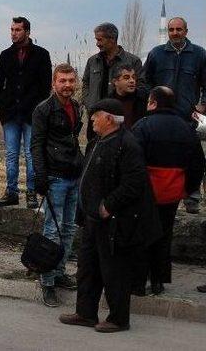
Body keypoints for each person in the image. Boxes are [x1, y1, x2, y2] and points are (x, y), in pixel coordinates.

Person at [59, 99, 160, 333]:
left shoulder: (128, 145)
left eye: (96, 115)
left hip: (114, 222)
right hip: (92, 219)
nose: (92, 119)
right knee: (88, 267)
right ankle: (85, 313)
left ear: (109, 118)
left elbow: (134, 184)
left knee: (114, 271)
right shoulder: (97, 141)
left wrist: (108, 206)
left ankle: (118, 319)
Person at [131, 87, 205, 295]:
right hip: (172, 192)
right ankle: (158, 281)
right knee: (164, 235)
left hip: (146, 192)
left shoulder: (142, 126)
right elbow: (198, 164)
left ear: (153, 102)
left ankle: (137, 283)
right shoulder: (186, 129)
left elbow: (133, 161)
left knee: (141, 235)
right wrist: (187, 189)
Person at [30, 63, 83, 307]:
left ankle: (59, 271)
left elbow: (73, 138)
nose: (67, 85)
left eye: (71, 81)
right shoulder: (44, 109)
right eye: (63, 81)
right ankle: (47, 281)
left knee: (69, 228)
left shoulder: (77, 107)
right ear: (54, 83)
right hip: (54, 177)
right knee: (52, 230)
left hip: (74, 175)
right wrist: (40, 178)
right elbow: (36, 145)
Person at [142, 17, 206, 214]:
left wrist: (203, 104)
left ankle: (192, 199)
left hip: (188, 116)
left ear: (186, 31)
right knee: (159, 156)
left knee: (193, 156)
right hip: (160, 116)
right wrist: (151, 101)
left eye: (179, 29)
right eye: (171, 30)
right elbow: (145, 81)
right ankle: (154, 196)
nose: (175, 33)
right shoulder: (157, 53)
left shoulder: (199, 54)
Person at [0, 16, 52, 209]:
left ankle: (31, 193)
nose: (13, 33)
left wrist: (38, 110)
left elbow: (45, 87)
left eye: (17, 30)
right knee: (11, 154)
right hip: (10, 114)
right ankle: (11, 192)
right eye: (11, 30)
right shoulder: (5, 55)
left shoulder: (41, 55)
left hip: (31, 115)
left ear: (27, 32)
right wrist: (1, 108)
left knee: (31, 154)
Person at [82, 23, 143, 140]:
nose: (97, 44)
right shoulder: (92, 61)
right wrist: (89, 103)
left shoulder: (133, 61)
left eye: (100, 40)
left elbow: (140, 88)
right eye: (96, 40)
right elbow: (85, 83)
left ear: (112, 39)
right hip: (96, 118)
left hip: (120, 121)